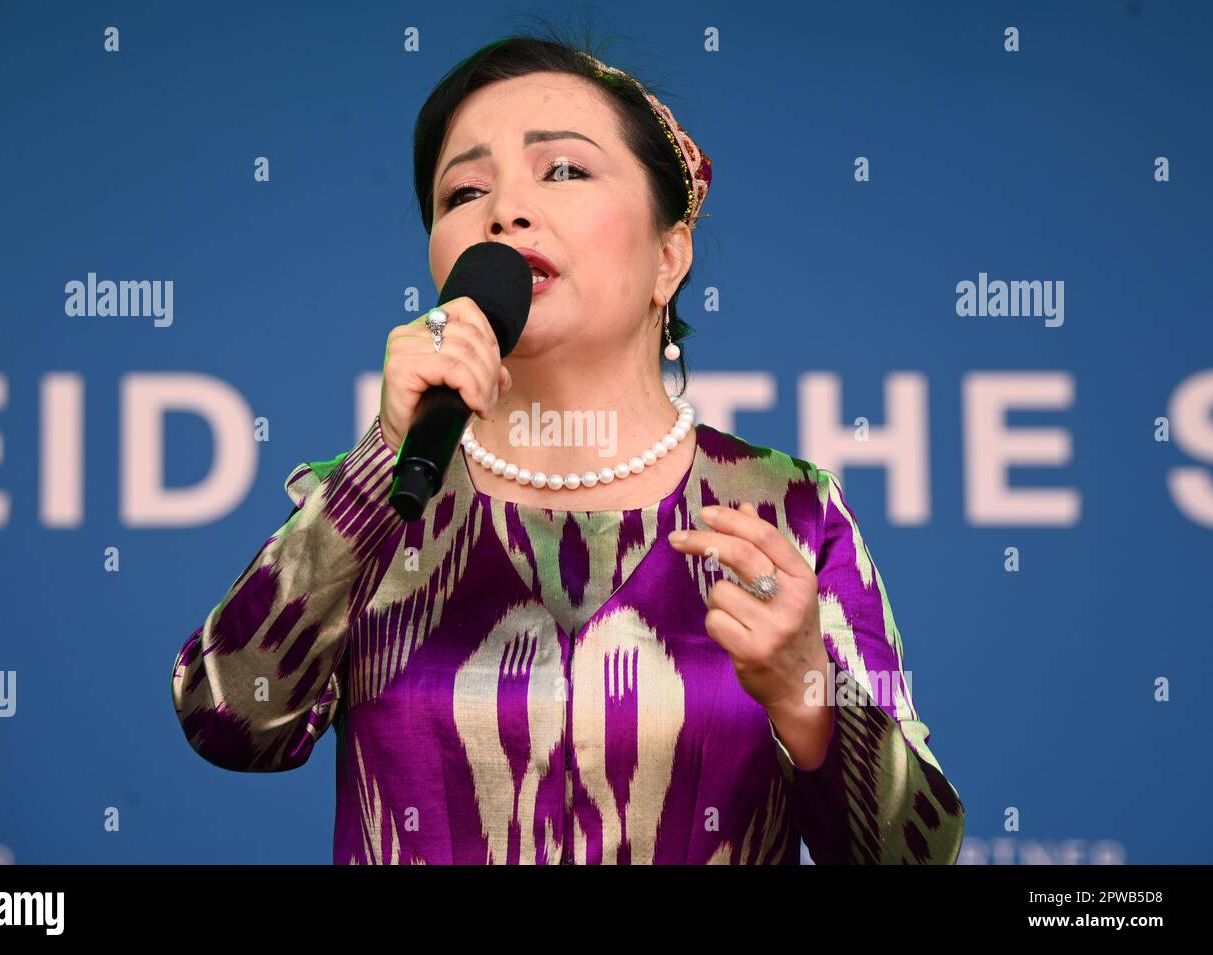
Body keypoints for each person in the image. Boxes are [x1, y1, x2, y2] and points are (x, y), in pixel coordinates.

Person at [170, 29, 965, 865]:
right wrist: (377, 469)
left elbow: (919, 855)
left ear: (669, 256)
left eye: (563, 170)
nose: (504, 211)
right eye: (463, 191)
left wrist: (812, 699)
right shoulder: (380, 497)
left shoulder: (786, 508)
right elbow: (227, 722)